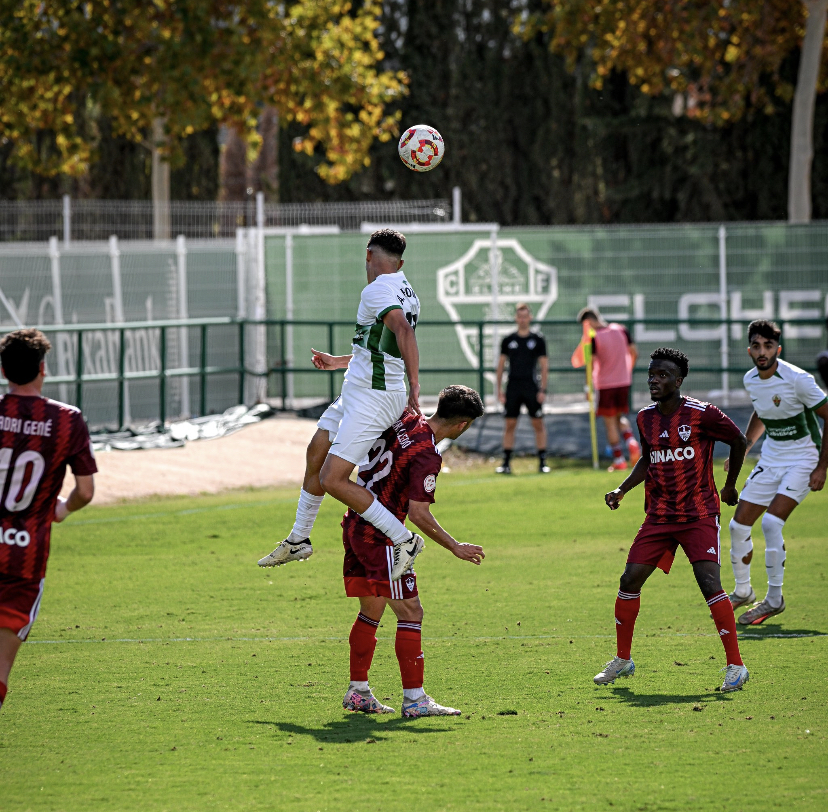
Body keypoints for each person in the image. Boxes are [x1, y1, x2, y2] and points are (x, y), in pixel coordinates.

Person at [258, 229, 424, 580]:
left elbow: (402, 333)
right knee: (317, 448)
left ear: (367, 255)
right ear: (401, 262)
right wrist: (339, 361)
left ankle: (404, 539)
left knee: (333, 479)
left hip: (374, 396)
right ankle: (299, 538)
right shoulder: (406, 289)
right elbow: (381, 346)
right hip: (361, 388)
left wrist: (415, 386)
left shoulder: (376, 289)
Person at [597, 347, 750, 693]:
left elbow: (739, 440)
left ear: (679, 381)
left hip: (698, 513)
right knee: (629, 579)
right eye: (651, 374)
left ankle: (736, 666)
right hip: (660, 515)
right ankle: (623, 659)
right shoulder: (645, 418)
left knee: (709, 583)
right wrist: (622, 490)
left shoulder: (702, 414)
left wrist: (729, 485)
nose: (654, 380)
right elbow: (650, 457)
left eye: (663, 375)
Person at [341, 385, 485, 717]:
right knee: (411, 613)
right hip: (382, 537)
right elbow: (419, 514)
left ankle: (358, 691)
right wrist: (455, 546)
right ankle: (415, 699)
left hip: (356, 524)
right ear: (463, 425)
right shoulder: (427, 455)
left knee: (372, 610)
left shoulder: (406, 418)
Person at [0, 329, 96, 713]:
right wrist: (61, 509)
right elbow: (85, 492)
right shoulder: (65, 420)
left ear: (4, 370)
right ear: (42, 369)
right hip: (24, 557)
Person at [726, 320, 827, 625]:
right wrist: (743, 449)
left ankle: (774, 599)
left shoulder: (798, 379)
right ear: (749, 350)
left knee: (771, 523)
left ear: (777, 349)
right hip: (771, 458)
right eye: (756, 346)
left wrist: (822, 466)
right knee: (737, 525)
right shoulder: (751, 379)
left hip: (803, 459)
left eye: (768, 346)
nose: (762, 351)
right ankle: (743, 591)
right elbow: (762, 409)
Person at [572, 307, 641, 471]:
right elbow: (634, 352)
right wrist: (627, 370)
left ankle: (619, 460)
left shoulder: (595, 337)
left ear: (588, 322)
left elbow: (590, 363)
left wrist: (588, 386)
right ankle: (631, 441)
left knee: (609, 422)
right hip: (623, 381)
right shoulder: (621, 329)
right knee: (619, 418)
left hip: (605, 384)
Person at [494, 303, 549, 474]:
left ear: (530, 318)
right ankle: (506, 463)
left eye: (525, 316)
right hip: (513, 387)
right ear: (516, 318)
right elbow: (501, 366)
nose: (523, 320)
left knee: (537, 423)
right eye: (520, 316)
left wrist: (543, 389)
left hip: (531, 387)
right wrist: (499, 390)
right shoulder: (508, 340)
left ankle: (542, 462)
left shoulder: (538, 339)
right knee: (510, 424)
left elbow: (544, 366)